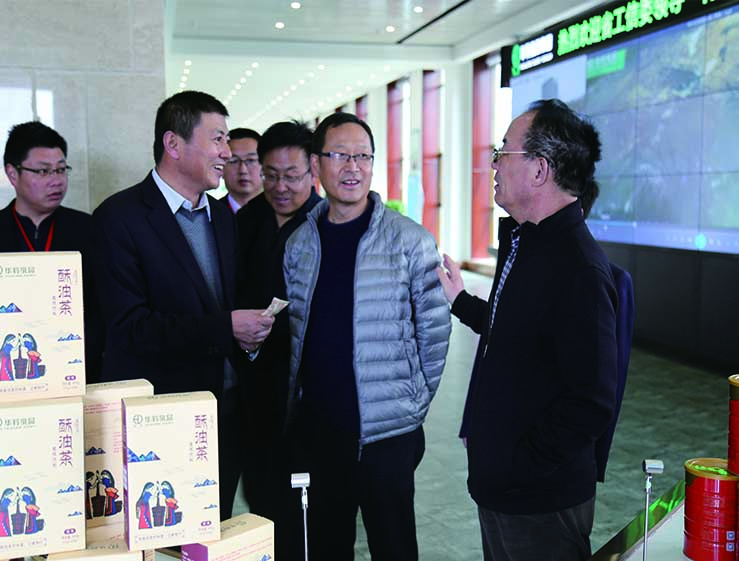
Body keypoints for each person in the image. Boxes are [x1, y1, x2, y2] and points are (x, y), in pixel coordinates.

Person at [438, 98, 618, 561]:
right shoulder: (525, 242)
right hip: (505, 487)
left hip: (539, 500)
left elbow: (592, 400)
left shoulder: (578, 268)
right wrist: (461, 301)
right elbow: (515, 330)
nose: (494, 164)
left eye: (503, 151)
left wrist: (518, 466)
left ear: (539, 170)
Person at [91, 91, 274, 520]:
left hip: (224, 412)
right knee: (165, 534)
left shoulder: (221, 216)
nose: (227, 153)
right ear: (173, 144)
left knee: (215, 529)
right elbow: (130, 326)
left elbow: (229, 300)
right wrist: (226, 327)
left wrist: (251, 333)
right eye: (218, 139)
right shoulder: (119, 218)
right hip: (160, 418)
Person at [283, 112, 451, 561]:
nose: (353, 167)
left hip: (387, 435)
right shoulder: (300, 243)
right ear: (316, 165)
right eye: (340, 155)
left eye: (363, 156)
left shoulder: (410, 241)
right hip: (320, 431)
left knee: (394, 548)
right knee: (326, 547)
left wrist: (413, 401)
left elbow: (435, 330)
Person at [0, 121, 104, 392]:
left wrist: (69, 358)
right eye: (43, 171)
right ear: (12, 173)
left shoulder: (90, 229)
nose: (56, 180)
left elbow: (103, 307)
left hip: (78, 375)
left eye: (61, 169)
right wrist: (1, 356)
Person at [235, 119, 322, 556]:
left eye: (291, 175)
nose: (280, 186)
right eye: (270, 175)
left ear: (313, 171)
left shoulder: (326, 224)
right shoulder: (245, 220)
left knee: (307, 513)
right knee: (261, 496)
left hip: (310, 391)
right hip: (253, 383)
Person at [221, 128, 262, 213]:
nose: (243, 170)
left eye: (251, 160)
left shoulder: (282, 213)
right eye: (234, 161)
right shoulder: (209, 215)